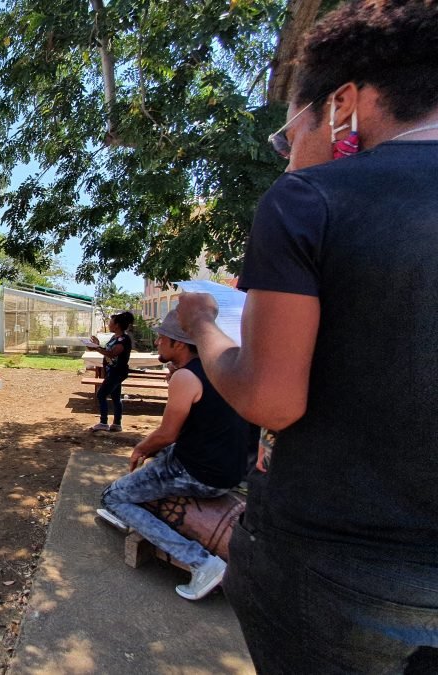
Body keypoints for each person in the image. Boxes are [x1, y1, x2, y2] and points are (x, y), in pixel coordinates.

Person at [175, 2, 438, 669]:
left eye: (290, 134)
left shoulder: (311, 201)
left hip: (343, 574)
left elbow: (272, 398)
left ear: (343, 103)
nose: (290, 156)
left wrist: (206, 330)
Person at [96, 311, 251, 601]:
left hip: (198, 473)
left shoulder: (186, 376)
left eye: (161, 337)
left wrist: (141, 447)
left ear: (178, 344)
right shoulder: (219, 369)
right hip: (230, 470)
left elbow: (168, 433)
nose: (157, 342)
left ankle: (202, 563)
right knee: (155, 463)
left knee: (112, 497)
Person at [87, 311, 134, 432]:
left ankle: (103, 422)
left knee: (101, 394)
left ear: (117, 325)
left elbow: (112, 354)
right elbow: (107, 350)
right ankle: (117, 424)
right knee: (115, 397)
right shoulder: (115, 337)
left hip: (117, 373)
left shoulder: (124, 339)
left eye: (110, 322)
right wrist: (96, 345)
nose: (109, 324)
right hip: (112, 371)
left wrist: (97, 348)